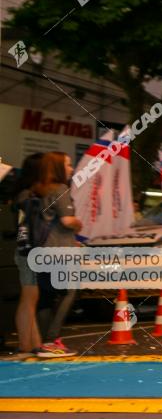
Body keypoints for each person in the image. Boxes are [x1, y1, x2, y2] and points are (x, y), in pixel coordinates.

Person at [32, 152, 80, 358]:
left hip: (42, 250)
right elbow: (67, 221)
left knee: (46, 296)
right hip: (60, 251)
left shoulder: (40, 189)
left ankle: (45, 342)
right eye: (68, 165)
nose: (71, 168)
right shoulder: (61, 189)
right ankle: (51, 340)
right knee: (70, 291)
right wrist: (79, 224)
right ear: (59, 167)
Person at [11, 153, 44, 358]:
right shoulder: (27, 197)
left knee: (31, 298)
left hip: (27, 251)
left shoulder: (25, 195)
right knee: (29, 298)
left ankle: (33, 344)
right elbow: (26, 229)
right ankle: (26, 345)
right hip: (26, 252)